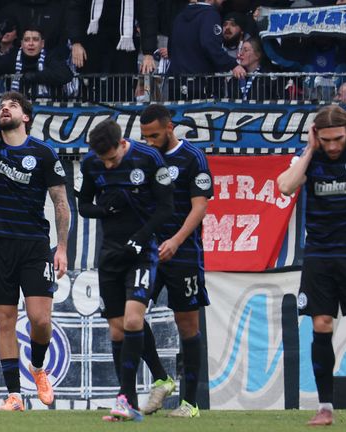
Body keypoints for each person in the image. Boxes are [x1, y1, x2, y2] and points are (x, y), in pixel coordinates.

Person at [0, 27, 71, 411]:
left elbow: (61, 203)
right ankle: (13, 394)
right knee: (4, 320)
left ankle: (38, 368)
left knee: (40, 321)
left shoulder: (43, 154)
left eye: (11, 105)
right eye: (1, 105)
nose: (3, 108)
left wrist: (61, 247)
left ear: (26, 115)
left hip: (33, 245)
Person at [277, 105, 346, 426]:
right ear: (316, 135)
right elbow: (285, 186)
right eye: (325, 139)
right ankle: (325, 406)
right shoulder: (310, 157)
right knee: (321, 324)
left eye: (337, 139)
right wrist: (310, 150)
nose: (332, 146)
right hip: (320, 254)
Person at [77, 118, 174, 421]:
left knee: (134, 320)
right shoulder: (92, 164)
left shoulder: (149, 159)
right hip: (110, 255)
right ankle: (128, 403)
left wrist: (140, 239)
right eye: (102, 160)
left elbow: (166, 208)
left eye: (112, 159)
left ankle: (125, 397)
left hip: (142, 253)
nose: (107, 165)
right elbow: (84, 206)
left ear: (122, 144)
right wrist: (105, 209)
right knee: (117, 330)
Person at [137, 104, 213, 419]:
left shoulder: (192, 158)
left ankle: (190, 404)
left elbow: (199, 207)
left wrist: (176, 240)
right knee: (129, 315)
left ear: (170, 127)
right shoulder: (141, 157)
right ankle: (161, 377)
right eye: (144, 136)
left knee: (188, 326)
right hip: (149, 253)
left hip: (183, 253)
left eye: (154, 135)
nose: (150, 141)